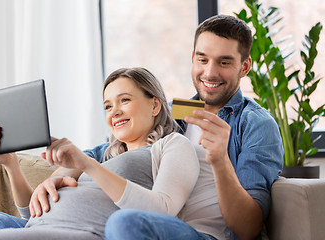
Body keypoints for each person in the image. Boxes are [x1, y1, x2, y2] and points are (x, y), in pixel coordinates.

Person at [103, 15, 284, 240]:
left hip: (210, 236)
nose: (210, 73)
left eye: (224, 62)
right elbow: (107, 148)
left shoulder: (256, 124)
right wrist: (65, 169)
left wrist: (220, 160)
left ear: (244, 67)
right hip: (162, 226)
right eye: (203, 60)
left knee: (124, 223)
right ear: (192, 59)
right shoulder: (173, 112)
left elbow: (247, 229)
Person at [0, 67, 200, 239]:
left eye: (124, 100)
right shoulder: (101, 155)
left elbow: (164, 209)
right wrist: (10, 165)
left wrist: (87, 164)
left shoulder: (170, 145)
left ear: (155, 105)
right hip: (38, 227)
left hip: (80, 231)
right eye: (108, 106)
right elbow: (32, 212)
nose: (114, 112)